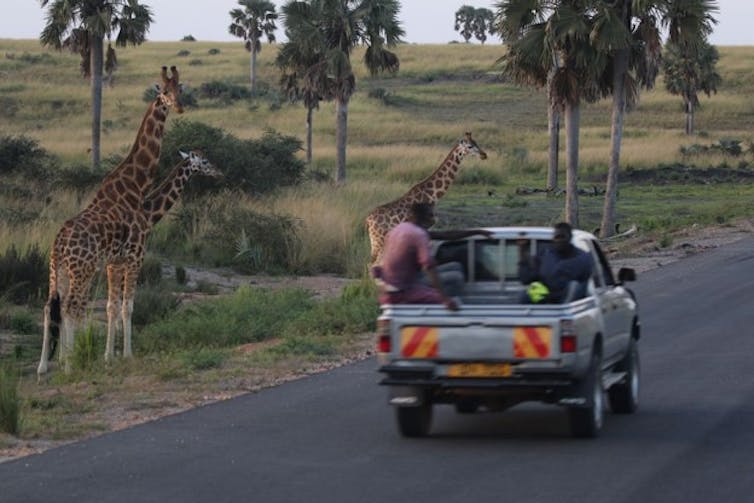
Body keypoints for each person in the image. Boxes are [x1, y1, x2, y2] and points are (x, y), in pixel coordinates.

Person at [374, 202, 491, 310]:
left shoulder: (400, 228)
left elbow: (446, 235)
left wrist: (476, 232)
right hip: (403, 289)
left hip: (397, 282)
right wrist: (444, 299)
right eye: (430, 216)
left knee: (456, 267)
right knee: (455, 278)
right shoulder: (418, 235)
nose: (433, 219)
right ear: (422, 217)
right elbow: (429, 267)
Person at [517, 222, 593, 303]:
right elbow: (526, 279)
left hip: (571, 301)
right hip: (546, 296)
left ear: (570, 237)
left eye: (562, 237)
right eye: (557, 237)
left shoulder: (582, 258)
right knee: (525, 295)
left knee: (575, 285)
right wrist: (523, 255)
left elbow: (587, 284)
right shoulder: (544, 254)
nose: (559, 240)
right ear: (553, 238)